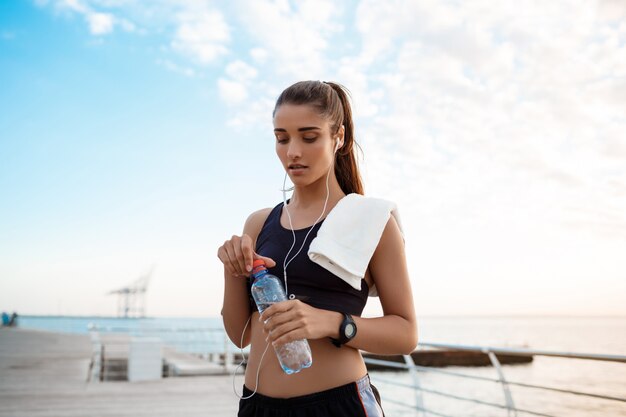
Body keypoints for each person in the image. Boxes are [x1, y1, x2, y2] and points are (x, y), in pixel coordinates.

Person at [218, 80, 417, 417]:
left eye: (308, 137)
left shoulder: (371, 221)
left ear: (339, 137)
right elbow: (240, 336)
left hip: (338, 406)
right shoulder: (259, 223)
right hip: (257, 406)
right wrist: (231, 268)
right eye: (282, 138)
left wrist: (330, 323)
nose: (292, 151)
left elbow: (406, 333)